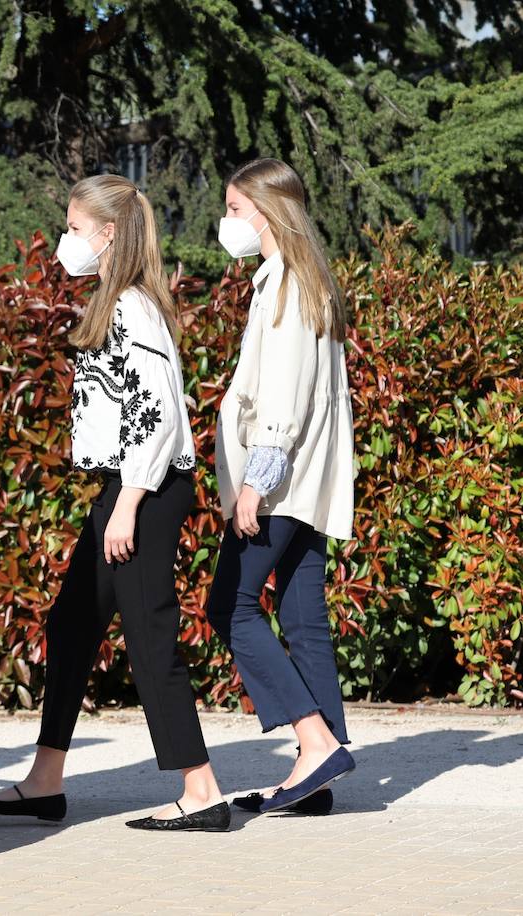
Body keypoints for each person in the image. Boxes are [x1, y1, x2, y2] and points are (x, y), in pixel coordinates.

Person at [0, 174, 231, 832]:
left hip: (145, 487)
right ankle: (45, 780)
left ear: (108, 233)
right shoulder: (117, 303)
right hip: (128, 486)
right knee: (74, 623)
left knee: (150, 635)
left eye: (76, 228)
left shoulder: (132, 308)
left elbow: (158, 416)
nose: (67, 241)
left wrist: (129, 503)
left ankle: (203, 791)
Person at [207, 157, 356, 815]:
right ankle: (320, 769)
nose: (227, 222)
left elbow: (285, 398)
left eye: (235, 210)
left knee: (229, 605)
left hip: (281, 481)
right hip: (307, 483)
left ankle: (314, 741)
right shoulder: (299, 280)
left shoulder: (290, 284)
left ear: (267, 212)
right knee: (301, 618)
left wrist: (254, 483)